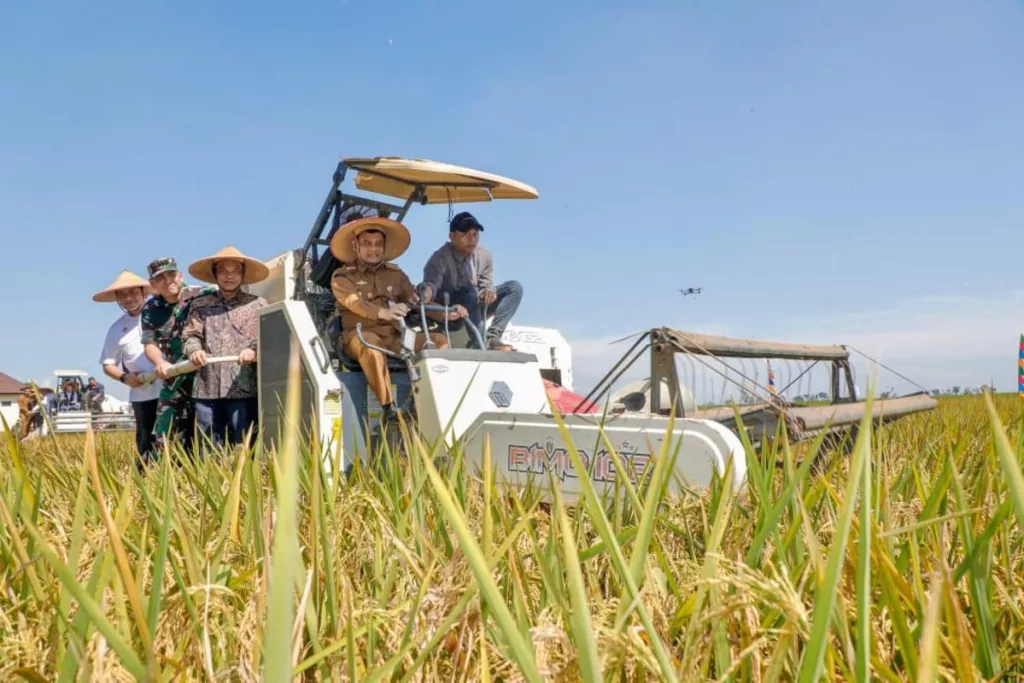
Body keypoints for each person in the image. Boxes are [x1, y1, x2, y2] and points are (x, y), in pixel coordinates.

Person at [330, 215, 448, 423]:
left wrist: (449, 313)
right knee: (372, 348)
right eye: (366, 243)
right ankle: (389, 409)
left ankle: (419, 402)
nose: (373, 249)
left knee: (439, 342)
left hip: (395, 337)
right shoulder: (342, 277)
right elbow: (353, 302)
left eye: (378, 244)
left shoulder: (396, 274)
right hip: (358, 335)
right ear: (355, 245)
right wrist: (382, 313)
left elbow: (416, 302)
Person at [181, 246, 269, 450]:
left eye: (235, 271)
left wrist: (254, 351)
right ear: (215, 274)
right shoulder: (200, 305)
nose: (229, 276)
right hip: (207, 386)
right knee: (209, 447)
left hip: (243, 387)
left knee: (245, 446)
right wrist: (195, 350)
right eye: (223, 271)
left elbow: (269, 336)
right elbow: (190, 335)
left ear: (242, 274)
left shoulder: (257, 305)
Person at [141, 257, 217, 462]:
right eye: (160, 278)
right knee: (165, 435)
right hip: (176, 377)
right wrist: (159, 362)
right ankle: (164, 479)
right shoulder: (150, 309)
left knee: (210, 434)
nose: (168, 281)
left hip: (207, 376)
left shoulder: (204, 295)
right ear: (153, 284)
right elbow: (149, 343)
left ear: (180, 275)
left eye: (171, 275)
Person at [421, 211, 522, 351]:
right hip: (449, 309)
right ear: (452, 236)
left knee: (514, 288)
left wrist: (489, 292)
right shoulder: (439, 259)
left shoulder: (485, 255)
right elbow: (431, 286)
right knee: (470, 291)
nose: (472, 239)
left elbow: (486, 283)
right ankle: (479, 344)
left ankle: (493, 336)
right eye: (465, 234)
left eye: (475, 234)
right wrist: (425, 292)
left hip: (474, 305)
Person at [94, 269, 163, 464]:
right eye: (123, 294)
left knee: (176, 437)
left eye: (133, 292)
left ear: (144, 292)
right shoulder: (117, 329)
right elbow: (108, 364)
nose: (129, 298)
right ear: (118, 299)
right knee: (145, 440)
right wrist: (125, 378)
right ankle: (146, 480)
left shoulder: (162, 314)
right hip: (142, 394)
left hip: (172, 388)